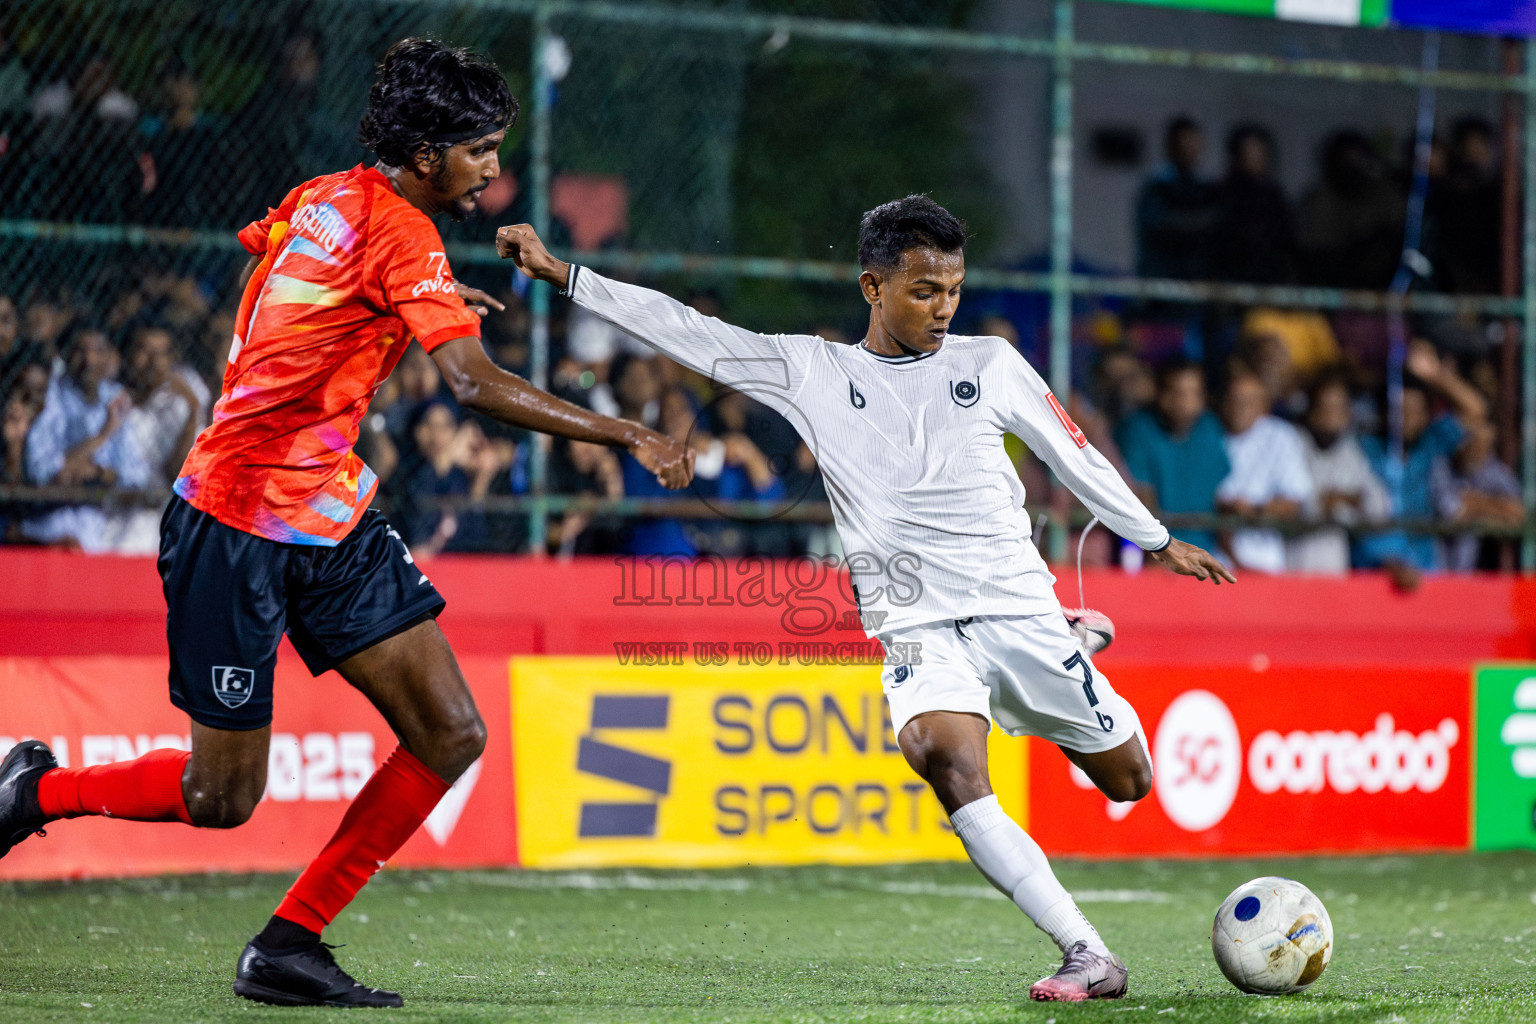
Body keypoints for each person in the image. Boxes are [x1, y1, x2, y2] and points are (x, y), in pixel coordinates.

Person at [0, 38, 691, 1008]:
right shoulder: (404, 234)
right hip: (233, 521)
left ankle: (288, 942)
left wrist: (425, 303)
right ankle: (34, 791)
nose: (494, 168)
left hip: (329, 513)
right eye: (480, 149)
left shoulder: (328, 194)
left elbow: (277, 285)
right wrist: (627, 431)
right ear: (423, 154)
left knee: (450, 730)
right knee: (222, 800)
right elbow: (470, 382)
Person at [496, 195, 1233, 1003]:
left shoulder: (988, 365)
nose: (943, 308)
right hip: (916, 624)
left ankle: (1077, 645)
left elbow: (1074, 452)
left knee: (1129, 781)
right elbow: (690, 333)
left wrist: (1157, 539)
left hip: (1020, 609)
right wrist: (565, 275)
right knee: (941, 755)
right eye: (924, 291)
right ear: (872, 287)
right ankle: (1087, 954)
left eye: (952, 289)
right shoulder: (816, 372)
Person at [1115, 355, 1230, 555]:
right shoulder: (1138, 429)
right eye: (1177, 392)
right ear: (1160, 393)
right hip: (1158, 553)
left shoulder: (1210, 428)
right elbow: (1141, 497)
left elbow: (1221, 496)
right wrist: (1159, 552)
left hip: (1207, 550)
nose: (1184, 401)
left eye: (1193, 393)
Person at [1289, 374, 1391, 574]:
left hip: (1333, 566)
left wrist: (1345, 499)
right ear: (1310, 410)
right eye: (1325, 408)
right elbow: (1295, 506)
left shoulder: (1350, 451)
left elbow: (1380, 507)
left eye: (1339, 408)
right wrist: (1332, 501)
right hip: (1293, 562)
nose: (1332, 416)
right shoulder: (1292, 443)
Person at [1134, 116, 1218, 281]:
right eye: (1185, 142)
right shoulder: (1157, 187)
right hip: (1162, 282)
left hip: (1198, 282)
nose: (1191, 148)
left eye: (1195, 142)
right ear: (1172, 145)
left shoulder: (1206, 189)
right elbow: (1159, 225)